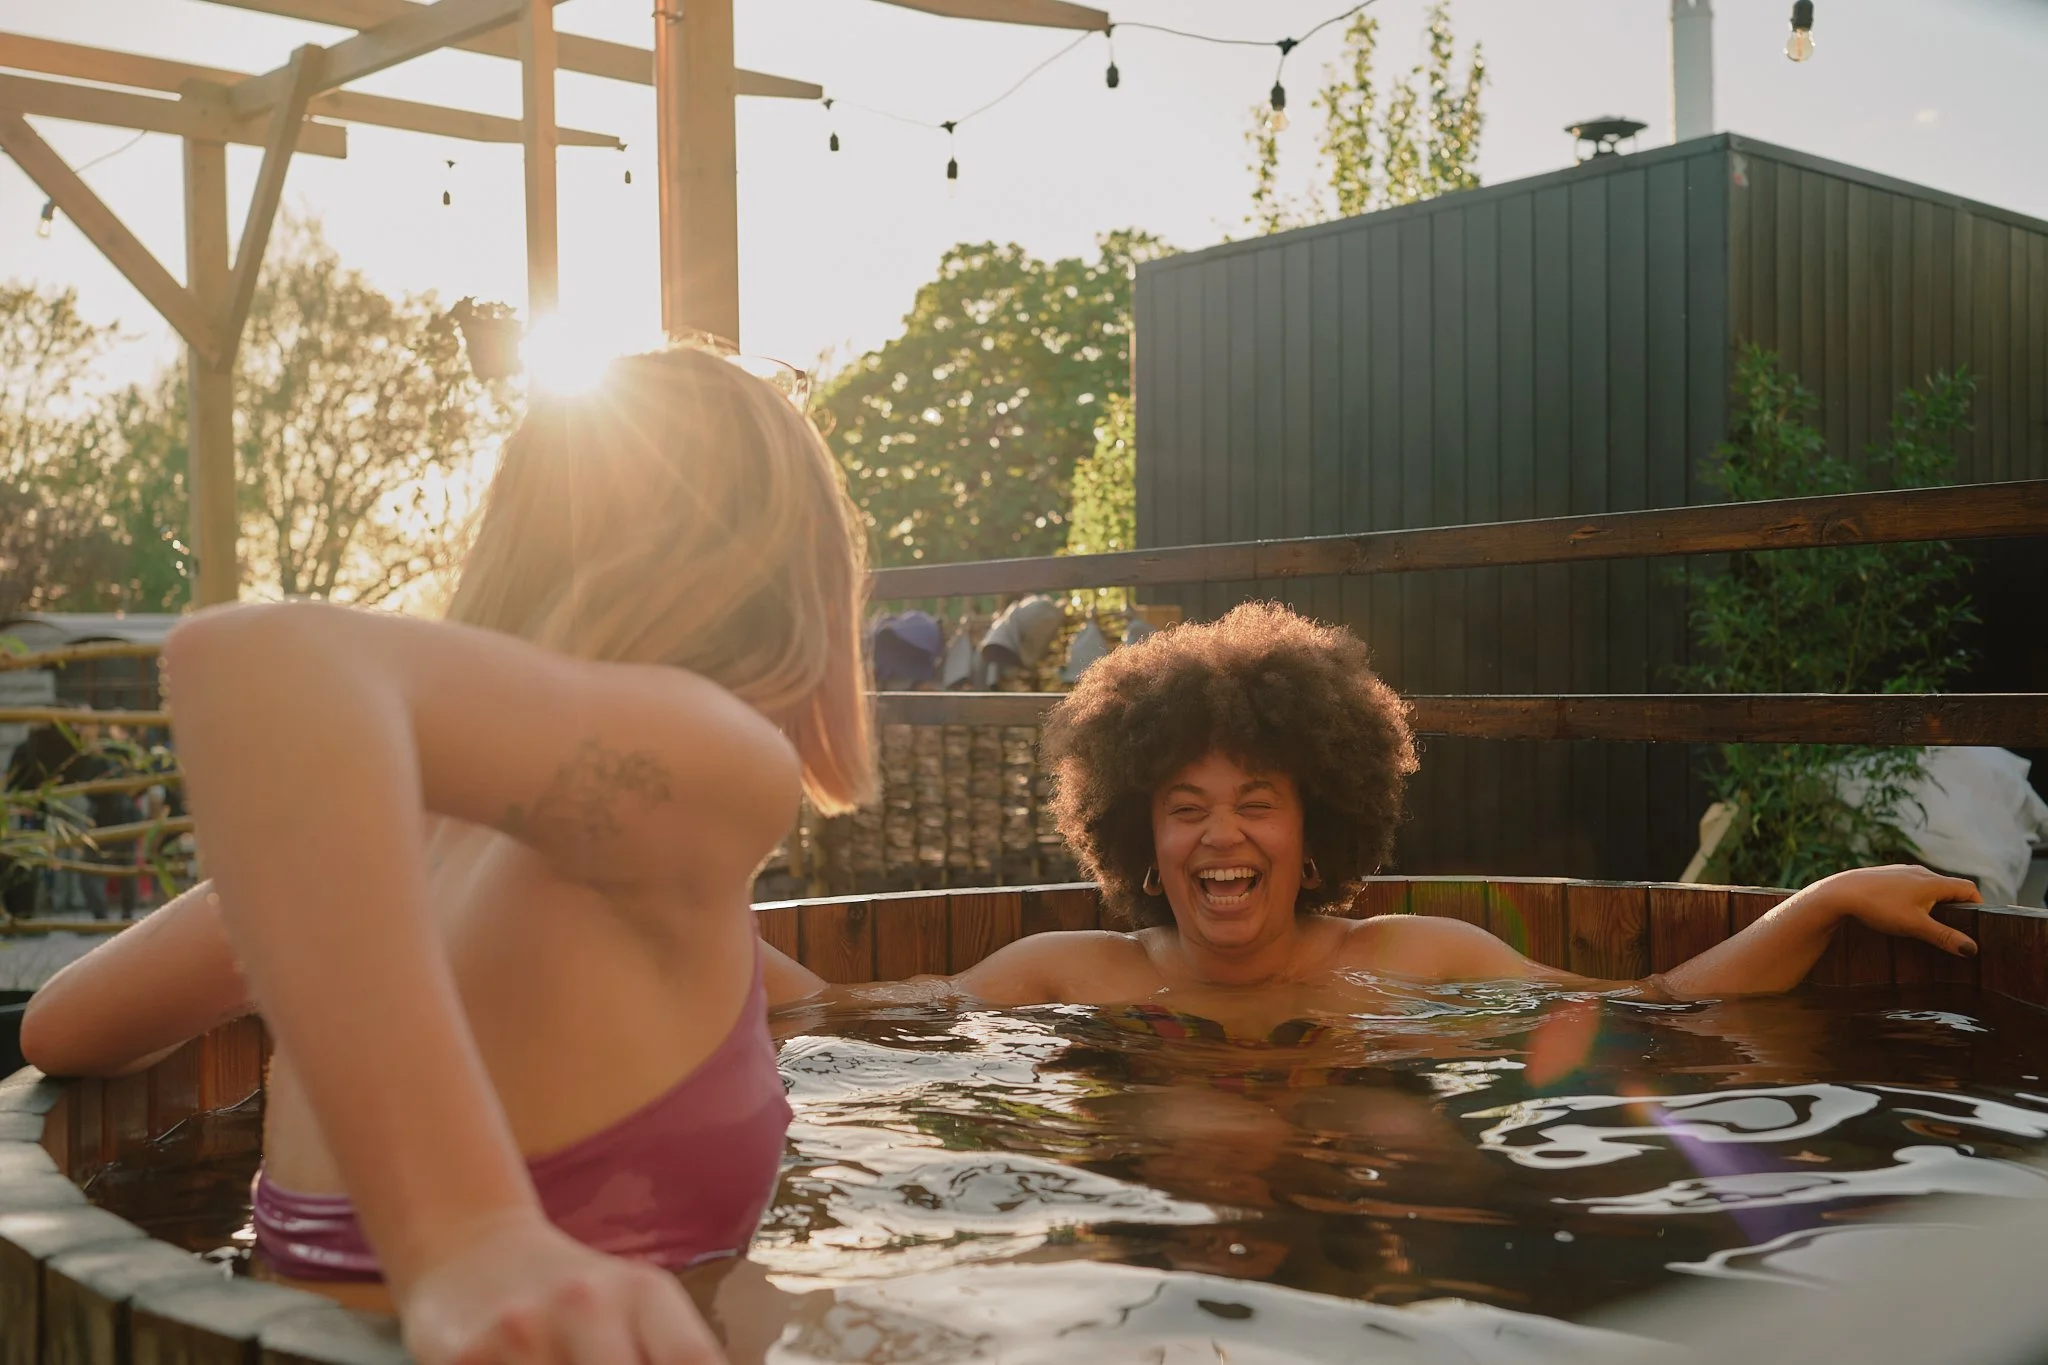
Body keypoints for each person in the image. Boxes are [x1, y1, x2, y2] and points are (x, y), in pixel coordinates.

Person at [21, 345, 874, 1365]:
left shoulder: (387, 859)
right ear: (796, 574)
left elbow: (62, 1029)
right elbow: (256, 660)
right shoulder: (716, 754)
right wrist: (467, 1236)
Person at [763, 602, 1981, 1020]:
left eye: (1255, 803)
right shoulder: (1067, 974)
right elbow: (840, 1015)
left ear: (1317, 826)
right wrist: (662, 901)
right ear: (1139, 833)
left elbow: (1653, 1011)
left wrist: (1822, 900)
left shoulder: (1411, 960)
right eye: (1184, 807)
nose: (1220, 836)